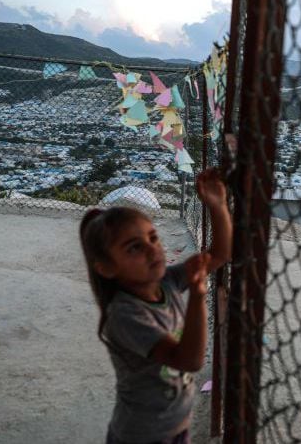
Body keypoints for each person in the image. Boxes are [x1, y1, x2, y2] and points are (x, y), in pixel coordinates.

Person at [80, 167, 232, 444]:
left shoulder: (168, 281)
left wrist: (217, 205)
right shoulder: (125, 315)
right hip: (142, 435)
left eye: (153, 237)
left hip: (175, 427)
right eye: (134, 248)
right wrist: (198, 297)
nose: (153, 249)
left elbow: (220, 254)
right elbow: (189, 360)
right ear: (106, 268)